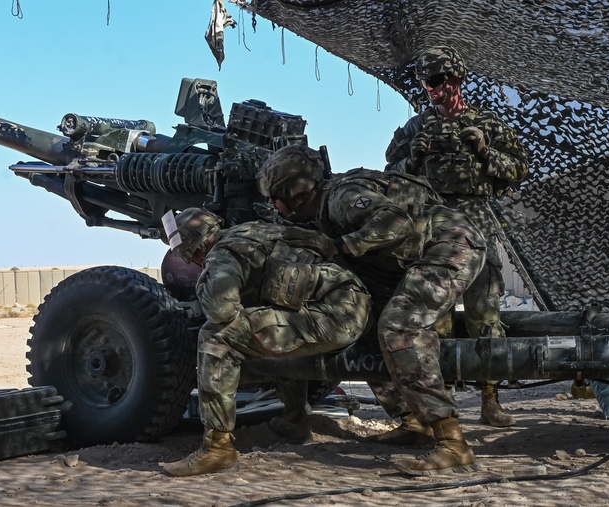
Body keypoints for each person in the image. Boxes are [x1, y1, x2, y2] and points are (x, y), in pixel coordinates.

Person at [257, 144, 485, 475]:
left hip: (450, 244)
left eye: (274, 196)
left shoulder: (341, 198)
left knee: (400, 326)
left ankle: (452, 444)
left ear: (294, 191)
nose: (272, 205)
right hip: (408, 260)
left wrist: (344, 244)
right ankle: (413, 422)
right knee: (361, 324)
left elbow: (397, 222)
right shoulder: (320, 215)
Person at [160, 208, 372, 477]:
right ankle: (295, 422)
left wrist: (204, 282)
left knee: (216, 338)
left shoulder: (222, 254)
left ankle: (218, 449)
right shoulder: (253, 231)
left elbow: (219, 311)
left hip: (335, 316)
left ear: (198, 247)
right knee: (268, 326)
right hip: (354, 304)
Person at [384, 45, 530, 427]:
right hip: (434, 227)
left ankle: (490, 401)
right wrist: (410, 161)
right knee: (436, 321)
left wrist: (485, 152)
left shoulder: (486, 123)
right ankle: (443, 406)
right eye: (425, 82)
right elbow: (391, 175)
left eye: (436, 80)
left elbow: (519, 168)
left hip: (478, 222)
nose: (430, 88)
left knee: (486, 317)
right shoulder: (416, 127)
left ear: (454, 80)